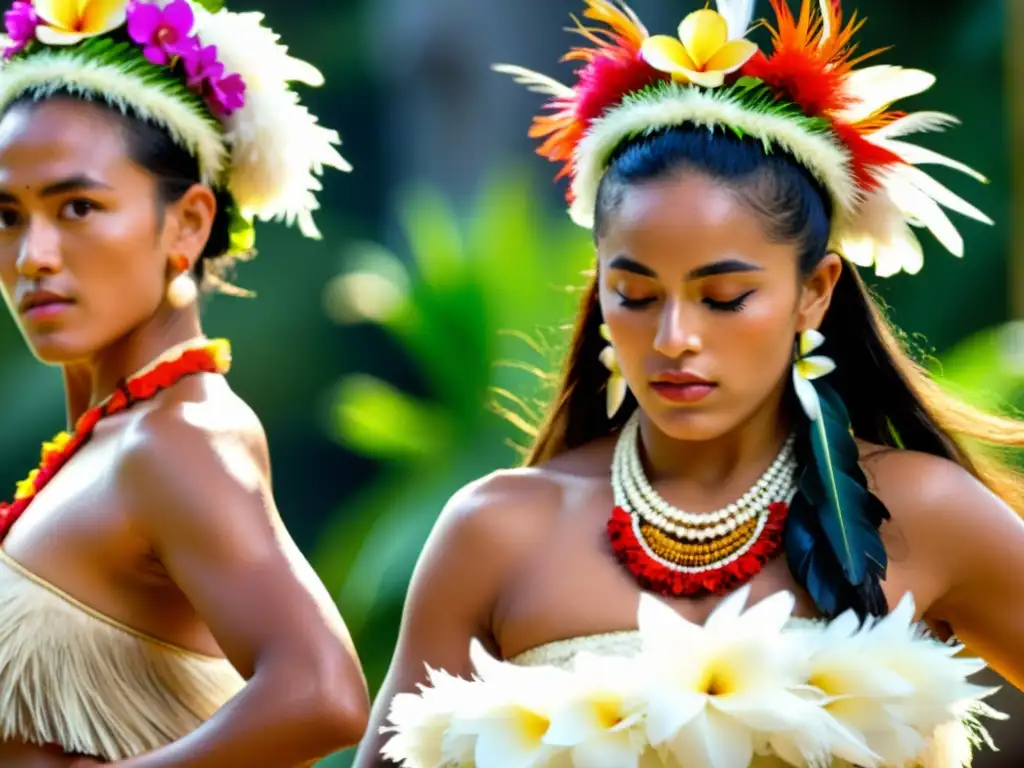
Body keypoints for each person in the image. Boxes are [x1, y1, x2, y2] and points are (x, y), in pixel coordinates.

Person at [356, 0, 1024, 766]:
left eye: (724, 298)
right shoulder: (496, 532)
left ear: (816, 289)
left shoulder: (923, 513)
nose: (674, 339)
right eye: (635, 296)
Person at [0, 0, 369, 765]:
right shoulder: (114, 439)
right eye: (6, 215)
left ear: (189, 224)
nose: (32, 254)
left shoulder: (182, 439)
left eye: (77, 207)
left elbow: (323, 694)